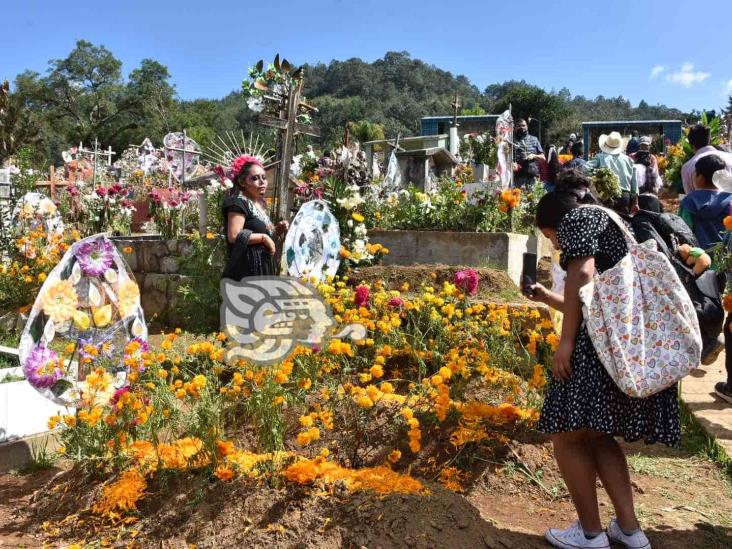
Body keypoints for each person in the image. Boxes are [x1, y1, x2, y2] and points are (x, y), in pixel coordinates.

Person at [527, 190, 678, 549]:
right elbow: (598, 299)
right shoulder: (611, 219)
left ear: (556, 222)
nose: (555, 244)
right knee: (597, 435)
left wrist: (565, 342)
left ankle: (591, 534)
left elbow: (582, 274)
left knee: (566, 435)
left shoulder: (577, 219)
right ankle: (629, 530)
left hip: (593, 350)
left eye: (550, 237)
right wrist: (547, 299)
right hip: (617, 345)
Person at [221, 155, 288, 281]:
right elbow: (234, 236)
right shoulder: (237, 203)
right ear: (242, 182)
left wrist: (277, 229)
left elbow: (267, 239)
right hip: (246, 269)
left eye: (264, 177)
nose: (262, 182)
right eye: (255, 178)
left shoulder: (260, 206)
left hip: (262, 267)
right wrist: (263, 237)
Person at [679, 154, 732, 250]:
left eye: (695, 173)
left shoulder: (689, 202)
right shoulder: (729, 200)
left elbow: (682, 233)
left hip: (698, 259)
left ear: (701, 178)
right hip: (725, 260)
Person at [584, 132, 638, 214]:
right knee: (623, 223)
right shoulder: (629, 160)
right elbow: (634, 184)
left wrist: (595, 175)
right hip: (624, 197)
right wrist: (635, 202)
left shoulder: (600, 157)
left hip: (606, 195)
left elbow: (585, 169)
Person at [681, 124, 732, 194]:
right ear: (710, 141)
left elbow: (691, 197)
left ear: (691, 145)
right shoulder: (729, 157)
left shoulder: (687, 167)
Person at [633, 136, 663, 212]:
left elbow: (655, 176)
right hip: (645, 193)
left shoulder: (652, 158)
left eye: (646, 145)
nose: (644, 147)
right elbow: (655, 176)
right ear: (639, 146)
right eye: (643, 145)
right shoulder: (633, 157)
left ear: (649, 146)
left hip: (641, 193)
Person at [513, 118, 545, 188]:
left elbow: (543, 158)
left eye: (523, 125)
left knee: (534, 198)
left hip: (533, 176)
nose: (521, 127)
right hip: (518, 177)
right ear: (515, 127)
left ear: (527, 126)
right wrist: (512, 163)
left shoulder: (534, 139)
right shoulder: (511, 141)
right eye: (519, 126)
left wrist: (534, 156)